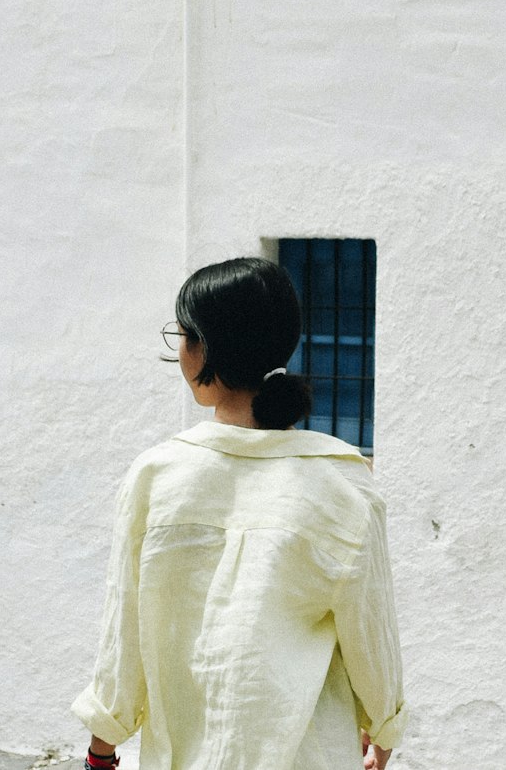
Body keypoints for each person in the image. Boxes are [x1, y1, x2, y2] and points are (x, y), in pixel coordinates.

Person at [72, 257, 407, 770]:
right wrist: (384, 728)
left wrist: (102, 747)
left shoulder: (157, 476)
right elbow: (371, 631)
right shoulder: (341, 481)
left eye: (181, 335)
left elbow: (125, 631)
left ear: (202, 347)